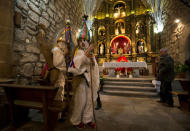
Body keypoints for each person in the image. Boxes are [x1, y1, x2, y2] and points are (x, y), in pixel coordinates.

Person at [68, 15, 99, 129]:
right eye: (81, 40)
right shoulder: (78, 52)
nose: (83, 42)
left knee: (90, 102)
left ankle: (87, 118)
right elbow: (73, 66)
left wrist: (91, 60)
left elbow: (94, 67)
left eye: (85, 40)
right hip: (81, 80)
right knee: (80, 102)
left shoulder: (90, 53)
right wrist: (86, 54)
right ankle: (76, 120)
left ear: (88, 41)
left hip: (90, 81)